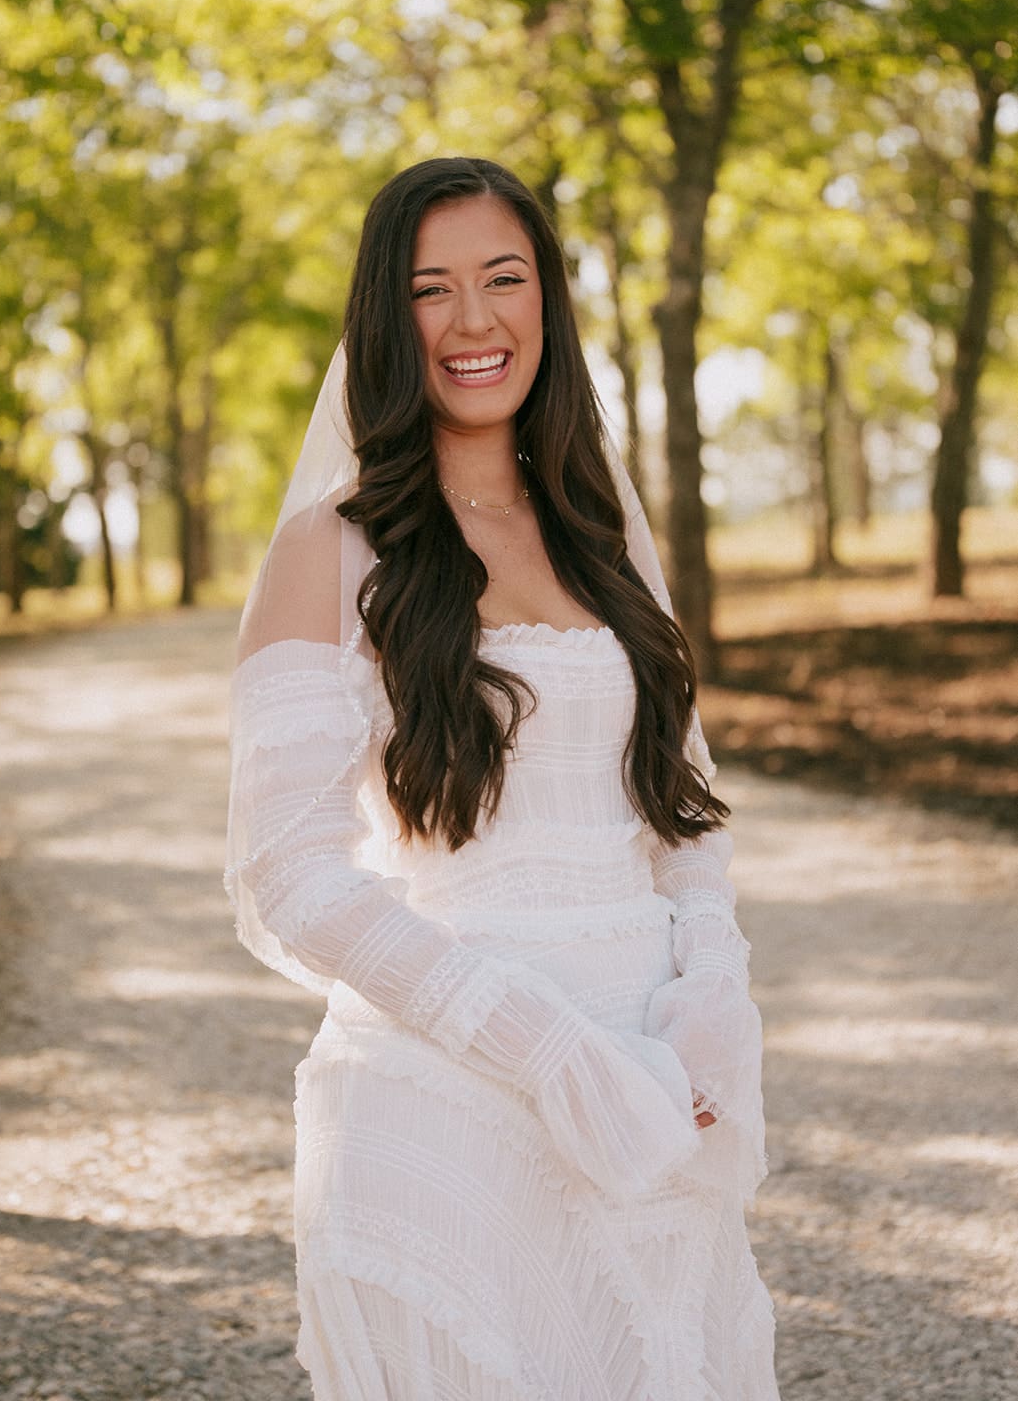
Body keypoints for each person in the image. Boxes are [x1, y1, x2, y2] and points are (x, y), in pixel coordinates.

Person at [225, 156, 779, 1399]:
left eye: (504, 279)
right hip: (452, 1098)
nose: (475, 321)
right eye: (433, 290)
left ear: (548, 303)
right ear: (386, 317)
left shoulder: (602, 532)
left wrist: (712, 989)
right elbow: (293, 877)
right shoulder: (331, 547)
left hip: (649, 1099)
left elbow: (679, 808)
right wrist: (546, 1049)